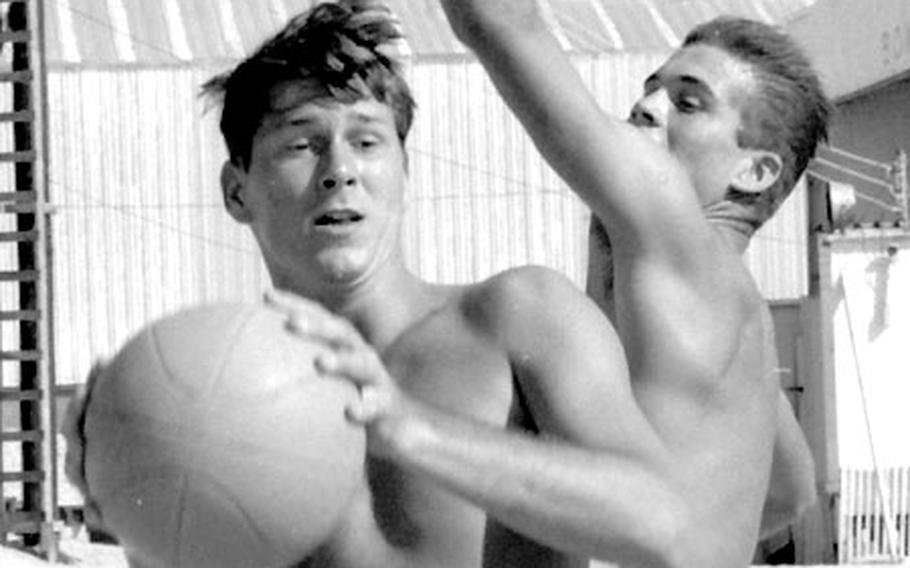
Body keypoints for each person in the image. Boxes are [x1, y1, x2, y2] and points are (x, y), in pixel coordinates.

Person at [67, 2, 676, 567]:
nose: (340, 172)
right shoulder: (208, 396)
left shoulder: (519, 316)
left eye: (366, 141)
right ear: (236, 190)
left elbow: (665, 527)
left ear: (404, 172)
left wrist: (412, 428)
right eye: (302, 143)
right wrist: (136, 513)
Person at [433, 0, 831, 562]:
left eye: (688, 104)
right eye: (651, 88)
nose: (645, 107)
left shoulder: (686, 255)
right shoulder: (742, 334)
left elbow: (499, 21)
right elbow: (790, 491)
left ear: (755, 170)